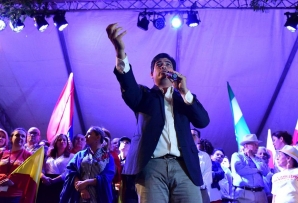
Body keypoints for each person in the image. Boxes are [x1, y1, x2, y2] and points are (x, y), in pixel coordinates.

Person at [106, 23, 210, 203]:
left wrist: (185, 92)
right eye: (158, 65)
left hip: (184, 167)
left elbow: (203, 121)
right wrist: (120, 52)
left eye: (168, 65)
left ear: (175, 73)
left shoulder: (184, 99)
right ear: (151, 74)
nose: (163, 67)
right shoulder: (144, 96)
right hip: (151, 167)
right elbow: (128, 85)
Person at [60, 126, 115, 203]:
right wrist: (82, 189)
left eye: (89, 134)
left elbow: (108, 176)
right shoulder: (80, 155)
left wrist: (87, 182)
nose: (85, 136)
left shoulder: (107, 157)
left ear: (98, 137)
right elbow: (70, 171)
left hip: (99, 198)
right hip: (79, 197)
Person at [231, 134, 269, 203]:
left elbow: (265, 172)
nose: (257, 147)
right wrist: (257, 169)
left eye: (257, 144)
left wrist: (252, 157)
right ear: (246, 145)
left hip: (260, 193)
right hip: (244, 193)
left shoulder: (258, 158)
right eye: (254, 144)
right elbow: (241, 170)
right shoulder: (237, 156)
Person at [37, 134, 74, 203]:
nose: (62, 141)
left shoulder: (71, 156)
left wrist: (54, 180)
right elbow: (41, 169)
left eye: (64, 140)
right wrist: (43, 177)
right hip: (46, 182)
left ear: (67, 143)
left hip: (61, 183)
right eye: (59, 140)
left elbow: (68, 172)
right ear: (55, 142)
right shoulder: (48, 156)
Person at [0, 128, 32, 203]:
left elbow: (29, 175)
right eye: (17, 135)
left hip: (15, 196)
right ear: (11, 138)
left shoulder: (28, 155)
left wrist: (13, 181)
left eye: (23, 136)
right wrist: (3, 178)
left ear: (25, 140)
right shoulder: (2, 153)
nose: (20, 137)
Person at [191, 128, 212, 203]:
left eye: (193, 135)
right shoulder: (179, 154)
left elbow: (207, 175)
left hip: (200, 191)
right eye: (188, 135)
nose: (190, 137)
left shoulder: (204, 156)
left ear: (199, 139)